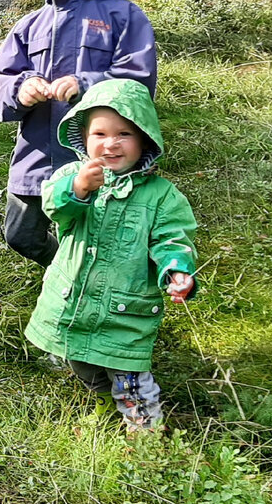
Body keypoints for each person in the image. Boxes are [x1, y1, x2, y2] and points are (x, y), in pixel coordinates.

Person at [0, 0, 156, 268]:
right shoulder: (30, 24)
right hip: (36, 157)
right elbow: (0, 73)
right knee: (21, 234)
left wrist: (86, 85)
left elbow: (137, 82)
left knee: (95, 229)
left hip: (98, 156)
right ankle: (67, 268)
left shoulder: (122, 16)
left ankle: (91, 285)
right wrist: (21, 87)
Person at [23, 78, 196, 432]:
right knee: (80, 360)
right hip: (73, 299)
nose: (111, 144)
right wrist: (78, 189)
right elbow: (56, 209)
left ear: (145, 139)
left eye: (124, 134)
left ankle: (144, 433)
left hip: (124, 307)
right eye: (99, 134)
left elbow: (172, 237)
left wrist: (176, 269)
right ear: (83, 138)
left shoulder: (161, 195)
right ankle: (102, 398)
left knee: (128, 375)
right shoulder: (72, 175)